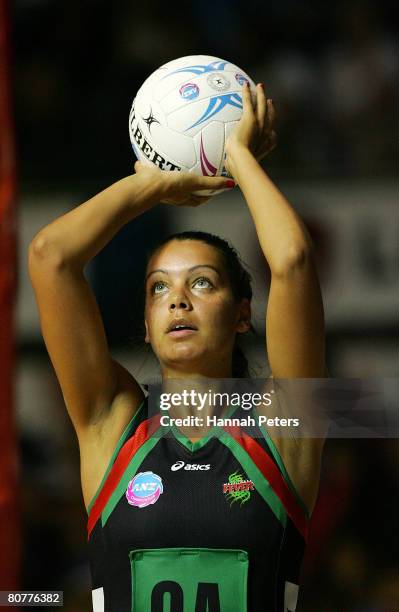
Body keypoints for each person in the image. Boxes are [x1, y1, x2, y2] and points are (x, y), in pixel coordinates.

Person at [29, 82, 326, 611]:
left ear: (241, 314)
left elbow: (294, 261)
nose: (178, 301)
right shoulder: (110, 421)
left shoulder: (283, 426)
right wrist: (149, 188)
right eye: (159, 288)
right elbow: (51, 257)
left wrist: (237, 160)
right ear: (145, 323)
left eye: (203, 283)